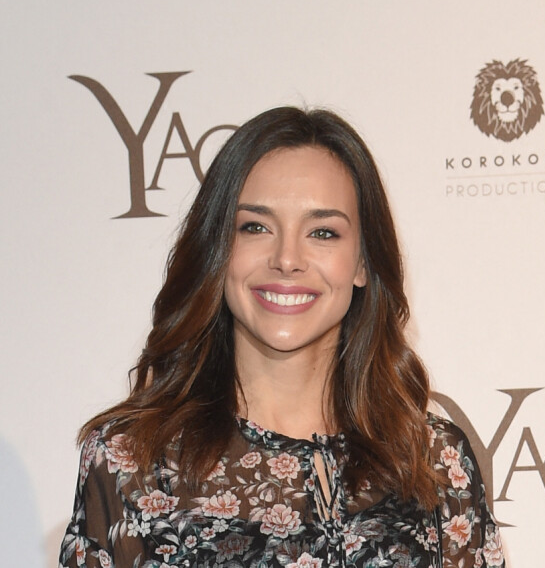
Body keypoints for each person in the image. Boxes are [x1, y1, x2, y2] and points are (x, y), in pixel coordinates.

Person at [59, 107, 505, 568]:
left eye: (322, 232)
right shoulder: (132, 460)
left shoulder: (434, 460)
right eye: (255, 227)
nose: (287, 259)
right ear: (219, 251)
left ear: (361, 264)